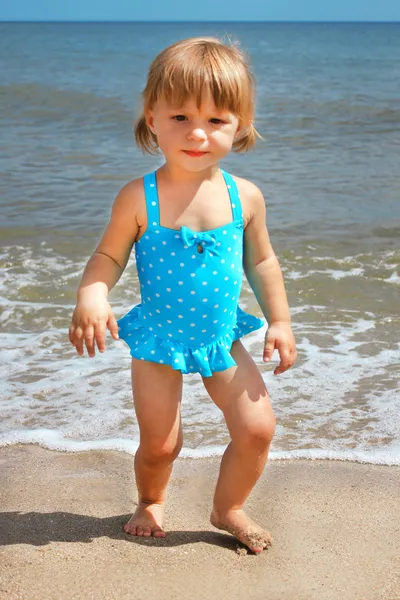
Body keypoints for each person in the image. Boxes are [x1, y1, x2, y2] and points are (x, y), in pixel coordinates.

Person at [69, 37, 296, 553]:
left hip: (219, 336)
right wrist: (92, 292)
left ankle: (228, 507)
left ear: (240, 124)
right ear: (152, 118)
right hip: (159, 340)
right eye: (180, 118)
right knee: (161, 444)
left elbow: (261, 262)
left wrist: (279, 322)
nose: (198, 133)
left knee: (258, 429)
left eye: (217, 120)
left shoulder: (245, 196)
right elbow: (108, 257)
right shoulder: (137, 196)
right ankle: (150, 499)